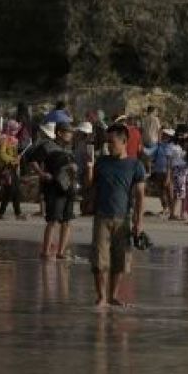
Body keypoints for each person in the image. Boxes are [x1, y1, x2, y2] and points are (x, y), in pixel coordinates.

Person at [90, 123, 146, 307]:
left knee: (120, 262)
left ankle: (113, 296)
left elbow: (140, 196)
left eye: (112, 142)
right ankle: (101, 296)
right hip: (102, 217)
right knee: (99, 261)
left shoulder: (135, 165)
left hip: (124, 219)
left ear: (123, 142)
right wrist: (88, 169)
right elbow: (90, 186)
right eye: (107, 142)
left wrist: (139, 222)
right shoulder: (102, 162)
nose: (109, 146)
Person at [29, 123, 79, 259]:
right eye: (68, 132)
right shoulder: (48, 146)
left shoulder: (69, 149)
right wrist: (41, 173)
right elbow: (33, 161)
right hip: (54, 188)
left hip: (69, 188)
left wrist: (74, 168)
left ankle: (61, 252)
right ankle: (45, 252)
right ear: (59, 133)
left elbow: (73, 167)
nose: (71, 134)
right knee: (53, 221)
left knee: (67, 221)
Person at [0, 120, 24, 220]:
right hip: (7, 169)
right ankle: (16, 213)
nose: (16, 131)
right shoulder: (4, 139)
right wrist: (13, 159)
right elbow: (1, 155)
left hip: (13, 169)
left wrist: (18, 157)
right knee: (12, 191)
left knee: (14, 191)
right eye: (14, 129)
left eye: (16, 130)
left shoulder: (14, 140)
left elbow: (13, 155)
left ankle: (10, 213)